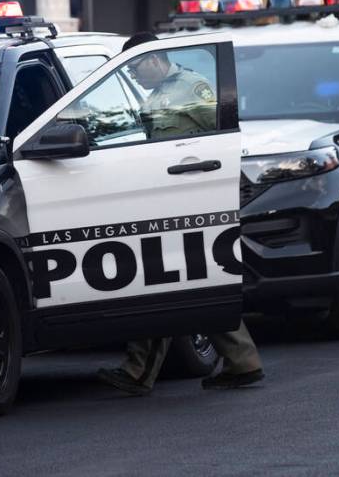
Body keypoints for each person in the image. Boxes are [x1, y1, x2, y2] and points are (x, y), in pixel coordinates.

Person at [96, 33, 264, 395]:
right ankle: (239, 362)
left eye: (138, 67)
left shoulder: (192, 86)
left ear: (156, 60)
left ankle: (143, 370)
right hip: (170, 200)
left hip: (193, 202)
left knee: (182, 280)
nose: (135, 77)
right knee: (178, 281)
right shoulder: (158, 95)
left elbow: (225, 134)